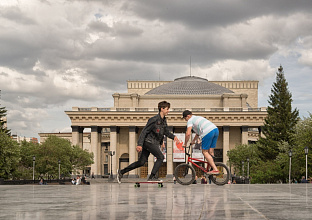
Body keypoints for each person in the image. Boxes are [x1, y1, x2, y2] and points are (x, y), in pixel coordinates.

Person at [117, 101, 180, 183]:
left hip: (152, 143)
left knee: (141, 162)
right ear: (162, 109)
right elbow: (144, 131)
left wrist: (173, 137)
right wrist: (139, 144)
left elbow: (165, 132)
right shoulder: (153, 119)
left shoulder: (164, 121)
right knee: (161, 157)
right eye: (167, 109)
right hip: (149, 142)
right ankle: (152, 176)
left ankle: (121, 172)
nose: (168, 111)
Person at [182, 110, 219, 175]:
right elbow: (198, 133)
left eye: (185, 119)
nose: (186, 120)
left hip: (207, 132)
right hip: (215, 130)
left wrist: (185, 143)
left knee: (204, 151)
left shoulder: (190, 120)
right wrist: (193, 141)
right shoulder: (197, 118)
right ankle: (211, 167)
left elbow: (188, 133)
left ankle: (215, 169)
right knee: (211, 151)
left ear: (188, 116)